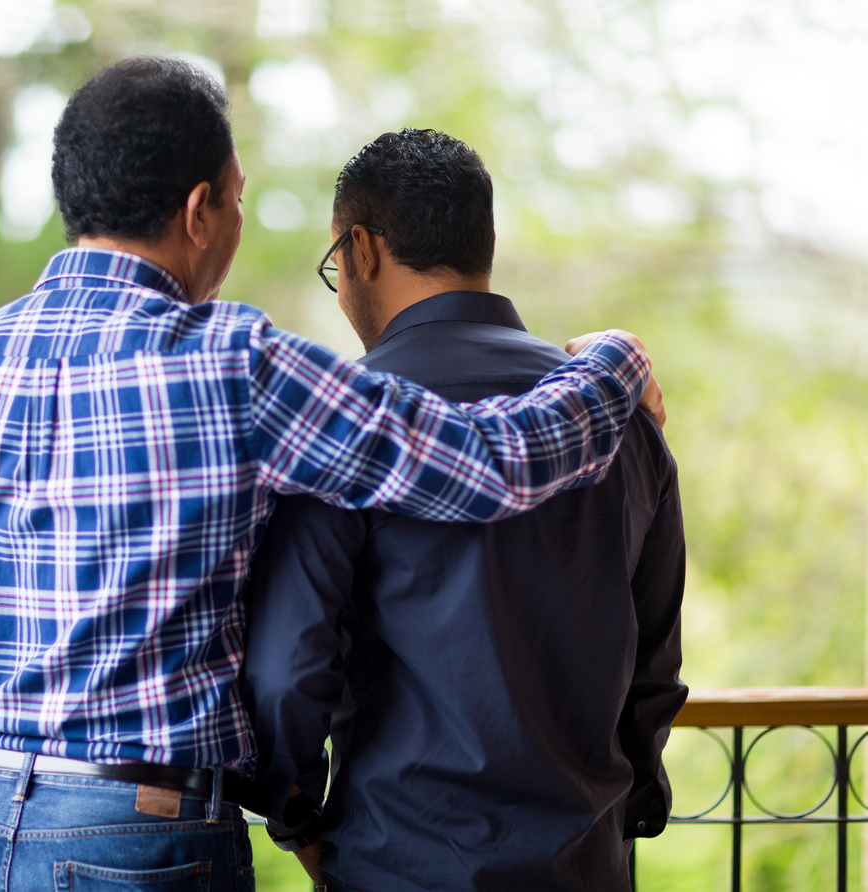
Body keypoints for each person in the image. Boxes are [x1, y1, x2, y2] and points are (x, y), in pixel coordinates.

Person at [0, 60, 662, 892]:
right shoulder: (233, 365)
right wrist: (615, 362)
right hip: (139, 835)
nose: (237, 219)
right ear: (200, 211)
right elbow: (493, 465)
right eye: (237, 199)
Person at [241, 129, 687, 891]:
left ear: (361, 250)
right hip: (584, 865)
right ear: (481, 243)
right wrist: (625, 803)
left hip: (398, 861)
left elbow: (288, 670)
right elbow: (653, 664)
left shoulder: (343, 422)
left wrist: (295, 816)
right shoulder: (621, 418)